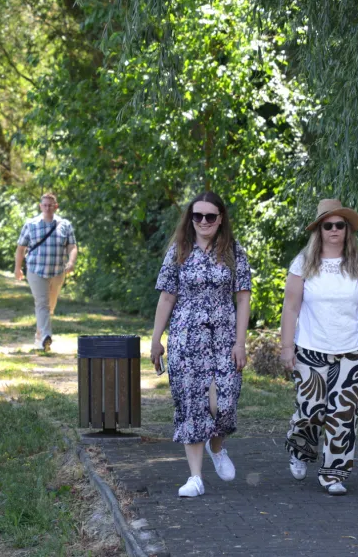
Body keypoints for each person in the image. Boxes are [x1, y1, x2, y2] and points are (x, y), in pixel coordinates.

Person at [280, 199, 358, 496]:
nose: (335, 230)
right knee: (310, 410)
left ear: (348, 231)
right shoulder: (303, 264)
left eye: (341, 225)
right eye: (329, 225)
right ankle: (300, 451)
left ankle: (333, 474)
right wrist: (286, 348)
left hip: (352, 350)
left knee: (343, 413)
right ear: (319, 230)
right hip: (312, 349)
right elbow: (290, 308)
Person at [149, 191, 252, 498]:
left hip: (223, 338)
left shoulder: (234, 252)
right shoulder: (178, 250)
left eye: (210, 216)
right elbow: (167, 296)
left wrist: (241, 342)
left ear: (220, 219)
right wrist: (156, 340)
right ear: (190, 219)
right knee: (191, 405)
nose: (204, 221)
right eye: (198, 216)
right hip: (184, 337)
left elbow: (243, 298)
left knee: (225, 404)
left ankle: (216, 446)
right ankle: (195, 478)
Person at [14, 192, 77, 351]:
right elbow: (21, 248)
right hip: (36, 270)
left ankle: (39, 336)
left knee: (50, 306)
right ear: (40, 206)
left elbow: (72, 246)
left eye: (51, 205)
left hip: (57, 271)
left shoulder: (65, 225)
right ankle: (46, 337)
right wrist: (17, 268)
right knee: (42, 303)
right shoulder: (31, 224)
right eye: (45, 205)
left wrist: (71, 262)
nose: (48, 208)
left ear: (56, 206)